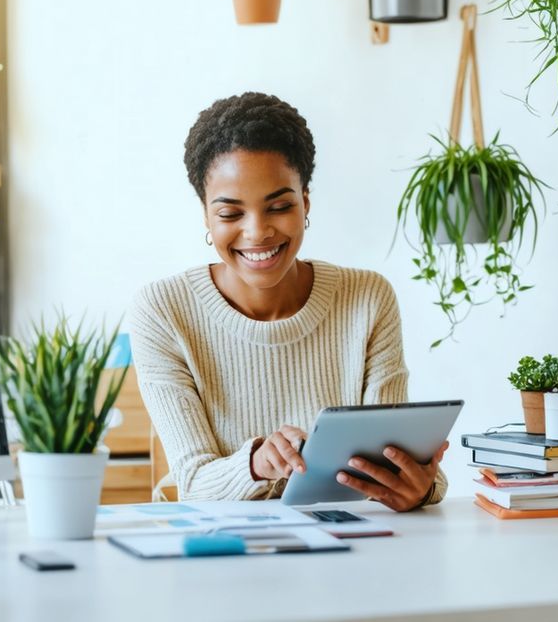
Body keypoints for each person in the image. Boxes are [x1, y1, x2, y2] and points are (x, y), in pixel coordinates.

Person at [128, 92, 448, 511]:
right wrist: (258, 463)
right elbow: (192, 482)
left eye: (279, 206)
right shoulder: (162, 310)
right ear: (206, 215)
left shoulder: (367, 298)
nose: (257, 232)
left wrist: (419, 486)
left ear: (305, 203)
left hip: (347, 548)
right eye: (230, 214)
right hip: (221, 551)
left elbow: (390, 457)